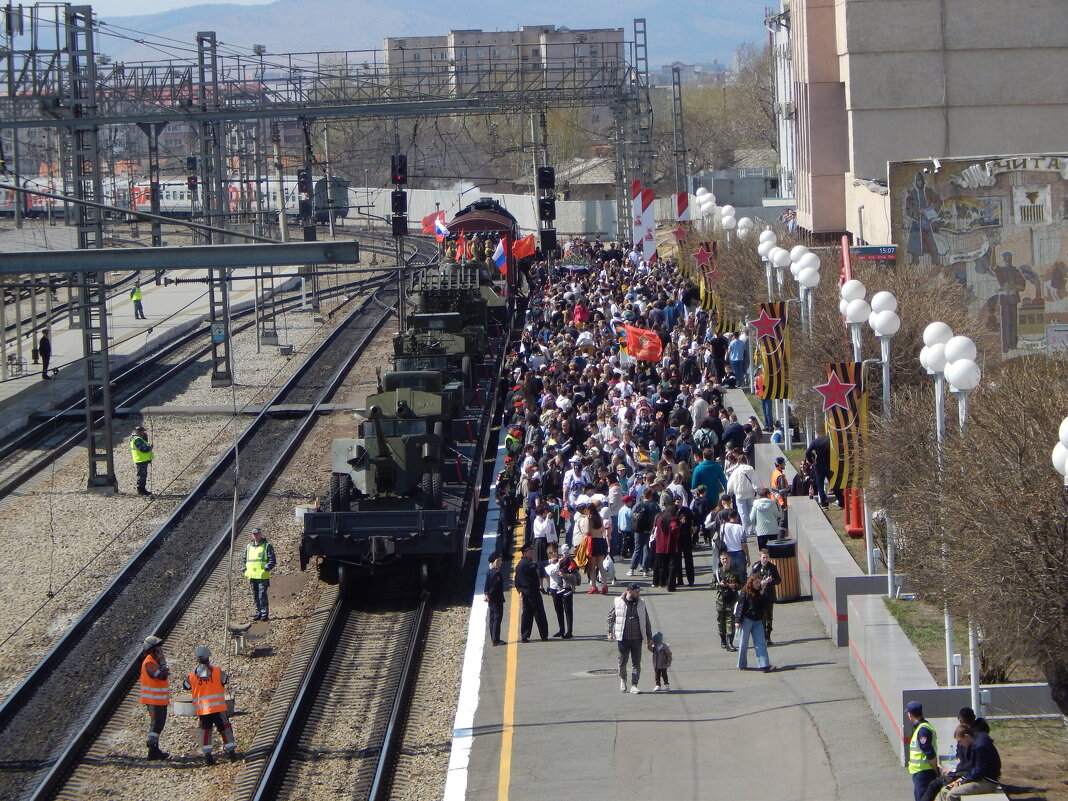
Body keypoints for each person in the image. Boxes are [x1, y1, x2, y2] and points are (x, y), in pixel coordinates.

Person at [183, 646, 238, 765]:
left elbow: (186, 686)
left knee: (205, 732)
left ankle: (208, 757)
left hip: (203, 711)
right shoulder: (217, 671)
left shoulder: (192, 675)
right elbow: (225, 680)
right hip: (217, 709)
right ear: (208, 657)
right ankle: (232, 754)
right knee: (225, 729)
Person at [606, 583, 654, 694]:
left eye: (638, 592)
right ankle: (623, 679)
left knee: (636, 663)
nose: (638, 594)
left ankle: (634, 685)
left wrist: (649, 637)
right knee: (622, 662)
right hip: (623, 638)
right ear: (629, 591)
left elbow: (646, 621)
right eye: (636, 592)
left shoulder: (641, 603)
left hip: (637, 638)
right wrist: (609, 632)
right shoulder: (618, 602)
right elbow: (611, 617)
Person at [938, 724, 1001, 800]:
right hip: (978, 778)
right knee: (944, 791)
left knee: (952, 795)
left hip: (987, 782)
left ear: (966, 736)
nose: (960, 744)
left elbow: (978, 772)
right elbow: (972, 768)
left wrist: (961, 782)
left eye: (960, 741)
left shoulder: (980, 747)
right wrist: (961, 779)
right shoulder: (974, 741)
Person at [735, 573, 776, 672]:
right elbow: (740, 606)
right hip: (747, 619)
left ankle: (764, 665)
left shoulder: (761, 592)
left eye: (759, 582)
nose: (758, 584)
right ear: (751, 582)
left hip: (758, 620)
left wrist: (762, 593)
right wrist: (737, 621)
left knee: (761, 643)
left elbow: (766, 605)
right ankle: (742, 664)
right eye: (756, 583)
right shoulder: (745, 591)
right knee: (743, 643)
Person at [139, 634, 170, 760]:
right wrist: (163, 665)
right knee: (156, 724)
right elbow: (160, 676)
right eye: (158, 648)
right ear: (152, 649)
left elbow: (164, 675)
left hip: (160, 700)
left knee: (159, 724)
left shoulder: (154, 661)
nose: (161, 651)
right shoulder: (149, 663)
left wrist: (162, 665)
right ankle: (152, 749)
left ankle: (154, 748)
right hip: (153, 700)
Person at [513, 544, 549, 642]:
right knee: (539, 612)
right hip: (532, 591)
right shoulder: (527, 563)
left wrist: (519, 591)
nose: (532, 552)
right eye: (530, 551)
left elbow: (516, 580)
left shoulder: (519, 564)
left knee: (526, 613)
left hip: (524, 592)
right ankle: (544, 635)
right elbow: (537, 565)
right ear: (525, 552)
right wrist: (548, 562)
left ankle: (524, 635)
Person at [906, 701, 940, 801]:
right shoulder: (924, 727)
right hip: (921, 772)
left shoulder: (922, 730)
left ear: (910, 714)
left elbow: (929, 752)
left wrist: (935, 769)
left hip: (924, 773)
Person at [545, 544, 579, 638]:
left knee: (568, 610)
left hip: (566, 587)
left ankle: (569, 631)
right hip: (554, 588)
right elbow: (550, 572)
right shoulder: (549, 564)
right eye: (551, 553)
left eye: (555, 551)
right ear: (548, 555)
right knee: (558, 610)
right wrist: (558, 563)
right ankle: (561, 629)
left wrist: (565, 564)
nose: (554, 554)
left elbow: (573, 566)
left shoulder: (564, 560)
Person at [711, 550, 743, 650]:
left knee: (731, 620)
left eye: (727, 558)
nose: (725, 560)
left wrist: (735, 586)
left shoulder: (736, 572)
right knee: (721, 621)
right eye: (723, 559)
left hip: (732, 599)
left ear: (730, 559)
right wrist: (719, 584)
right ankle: (723, 640)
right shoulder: (717, 572)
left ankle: (730, 642)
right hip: (721, 600)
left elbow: (742, 584)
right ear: (720, 560)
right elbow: (711, 585)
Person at [244, 527, 276, 622]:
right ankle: (258, 613)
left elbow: (272, 560)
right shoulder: (248, 547)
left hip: (262, 576)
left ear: (261, 534)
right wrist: (244, 570)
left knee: (262, 595)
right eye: (254, 534)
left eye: (257, 534)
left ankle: (264, 614)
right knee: (255, 595)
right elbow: (245, 560)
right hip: (252, 576)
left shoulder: (267, 546)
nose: (256, 536)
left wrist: (266, 568)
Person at [751, 548, 782, 644]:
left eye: (767, 557)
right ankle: (762, 636)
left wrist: (772, 581)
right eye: (764, 557)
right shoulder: (756, 567)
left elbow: (778, 580)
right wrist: (760, 582)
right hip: (759, 595)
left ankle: (768, 637)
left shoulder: (772, 567)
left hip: (769, 595)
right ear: (760, 557)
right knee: (761, 617)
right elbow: (751, 580)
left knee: (769, 617)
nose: (765, 559)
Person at [726, 454, 760, 533]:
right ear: (746, 461)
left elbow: (730, 483)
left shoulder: (736, 471)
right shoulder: (751, 469)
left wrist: (729, 494)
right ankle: (752, 529)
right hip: (750, 493)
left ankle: (744, 530)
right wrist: (758, 491)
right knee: (751, 512)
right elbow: (755, 481)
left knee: (742, 513)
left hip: (739, 495)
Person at [483, 551, 506, 646]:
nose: (501, 562)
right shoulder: (496, 573)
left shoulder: (489, 572)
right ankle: (496, 639)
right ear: (496, 561)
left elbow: (486, 584)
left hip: (491, 599)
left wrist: (486, 594)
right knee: (497, 619)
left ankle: (494, 638)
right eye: (499, 560)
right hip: (496, 599)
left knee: (492, 618)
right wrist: (490, 595)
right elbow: (495, 587)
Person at [130, 424, 153, 496]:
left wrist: (145, 438)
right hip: (140, 460)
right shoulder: (137, 439)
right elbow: (144, 449)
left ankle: (142, 489)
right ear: (139, 432)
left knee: (143, 475)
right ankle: (141, 490)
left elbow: (144, 444)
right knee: (142, 476)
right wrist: (150, 448)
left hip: (142, 460)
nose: (144, 433)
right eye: (142, 432)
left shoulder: (138, 438)